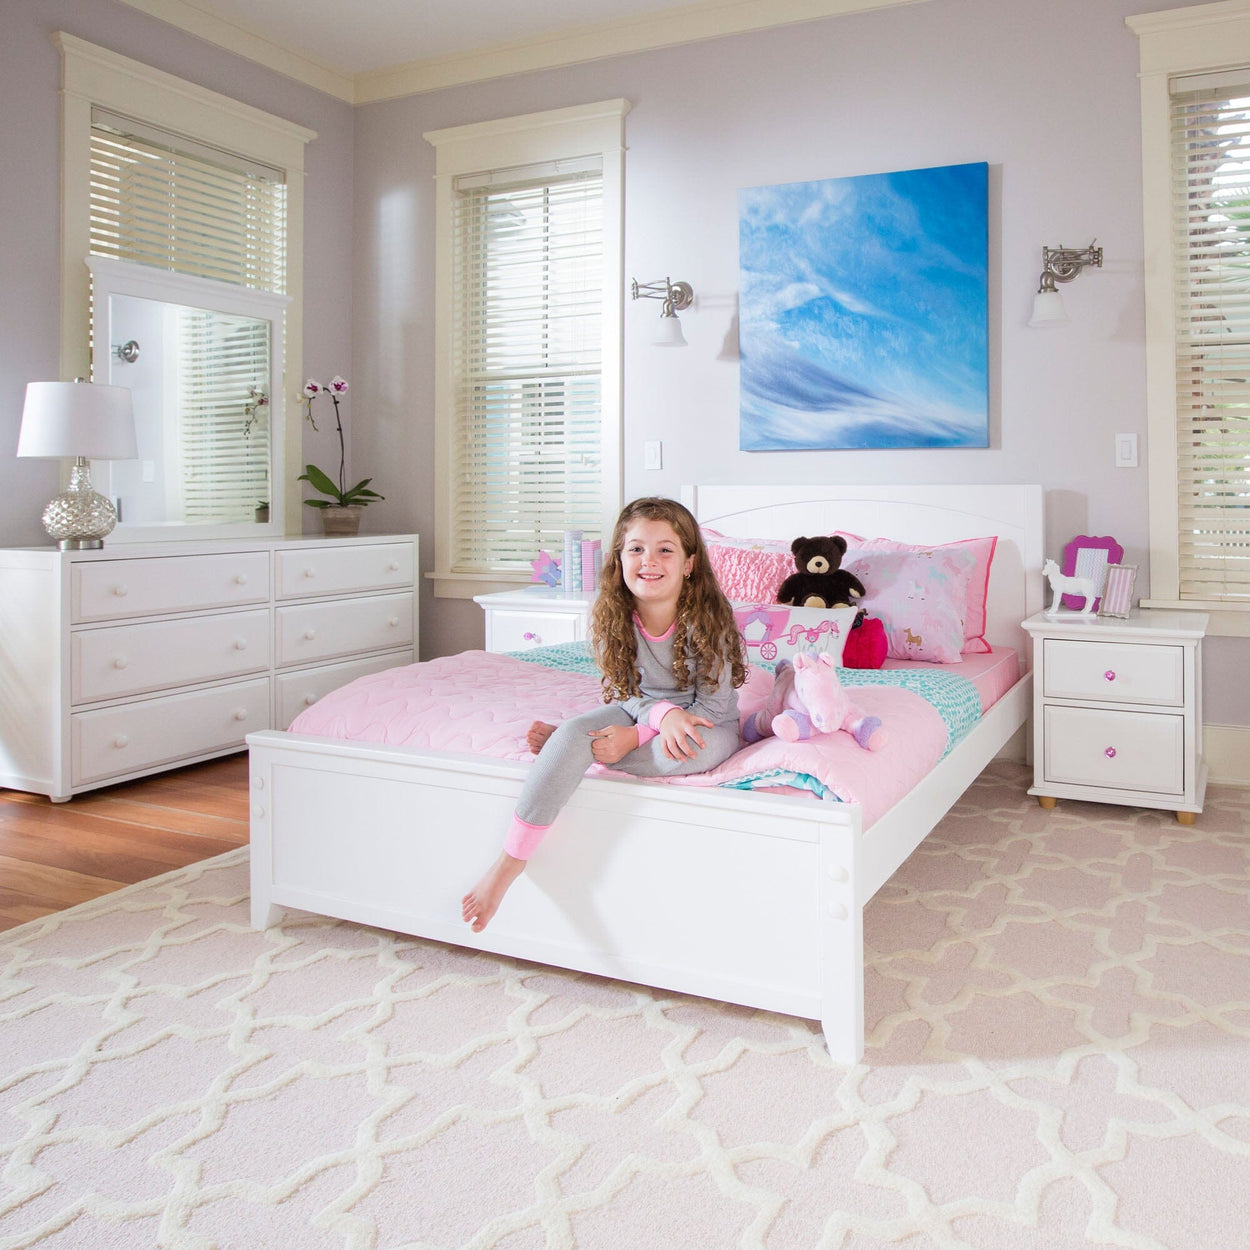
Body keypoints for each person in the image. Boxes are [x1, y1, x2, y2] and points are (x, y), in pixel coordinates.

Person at [461, 497, 746, 932]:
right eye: (636, 549)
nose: (649, 561)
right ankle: (508, 865)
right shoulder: (613, 615)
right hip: (641, 709)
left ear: (689, 563)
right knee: (576, 731)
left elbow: (713, 706)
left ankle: (572, 751)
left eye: (665, 550)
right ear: (619, 558)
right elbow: (626, 693)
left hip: (707, 723)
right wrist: (654, 719)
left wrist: (635, 737)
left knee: (686, 750)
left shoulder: (711, 619)